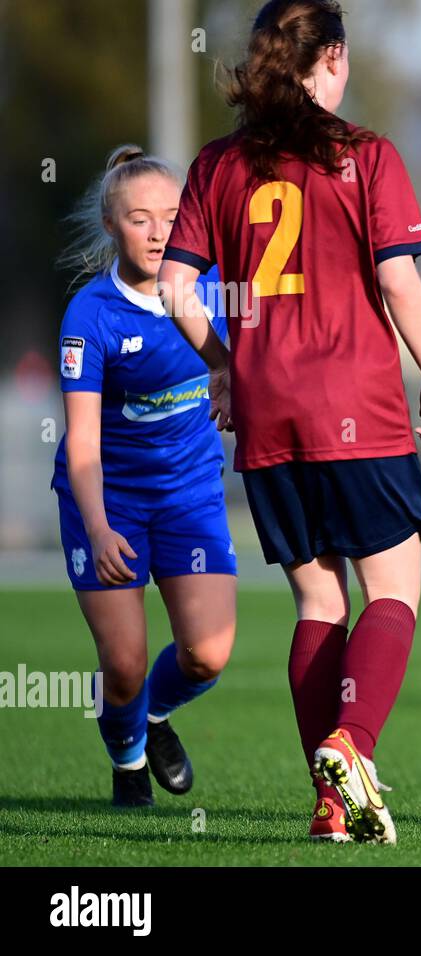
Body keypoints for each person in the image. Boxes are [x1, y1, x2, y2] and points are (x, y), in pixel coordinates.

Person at [158, 0, 421, 844]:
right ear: (329, 58)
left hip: (264, 409)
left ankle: (332, 807)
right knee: (391, 589)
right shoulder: (364, 155)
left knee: (318, 601)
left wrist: (222, 361)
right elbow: (398, 282)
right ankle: (350, 747)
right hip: (355, 402)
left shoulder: (220, 164)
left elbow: (177, 286)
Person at [54, 144, 237, 808]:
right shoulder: (91, 316)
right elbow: (80, 446)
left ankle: (154, 718)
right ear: (111, 224)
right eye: (139, 218)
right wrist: (99, 530)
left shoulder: (216, 285)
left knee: (208, 656)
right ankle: (127, 757)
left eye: (171, 215)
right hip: (110, 501)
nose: (159, 231)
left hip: (189, 494)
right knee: (124, 664)